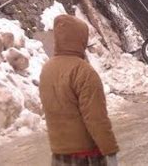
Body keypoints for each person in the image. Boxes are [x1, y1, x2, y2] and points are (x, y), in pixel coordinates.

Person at [39, 14, 119, 165]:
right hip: (87, 156)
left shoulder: (47, 69)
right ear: (80, 38)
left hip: (59, 154)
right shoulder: (84, 71)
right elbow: (96, 118)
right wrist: (110, 150)